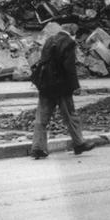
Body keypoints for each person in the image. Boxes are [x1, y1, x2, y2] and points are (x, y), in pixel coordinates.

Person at [31, 24, 99, 159]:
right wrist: (75, 86)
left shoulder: (50, 40)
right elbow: (69, 67)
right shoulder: (69, 42)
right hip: (61, 86)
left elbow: (42, 61)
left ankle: (38, 148)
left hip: (45, 85)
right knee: (70, 116)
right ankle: (79, 144)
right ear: (72, 31)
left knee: (41, 118)